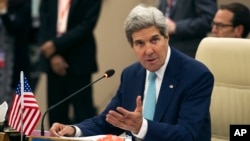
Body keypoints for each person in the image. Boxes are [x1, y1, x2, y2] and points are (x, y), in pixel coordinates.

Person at [50, 4, 214, 141]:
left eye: (154, 40)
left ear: (166, 38)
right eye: (140, 43)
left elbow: (188, 135)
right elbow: (109, 119)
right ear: (132, 46)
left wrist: (141, 126)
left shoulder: (196, 75)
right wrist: (74, 130)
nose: (148, 50)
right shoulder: (131, 74)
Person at [38, 0, 102, 126]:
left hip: (79, 61)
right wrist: (53, 55)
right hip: (53, 63)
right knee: (56, 117)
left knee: (83, 116)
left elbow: (87, 25)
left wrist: (56, 45)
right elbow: (43, 21)